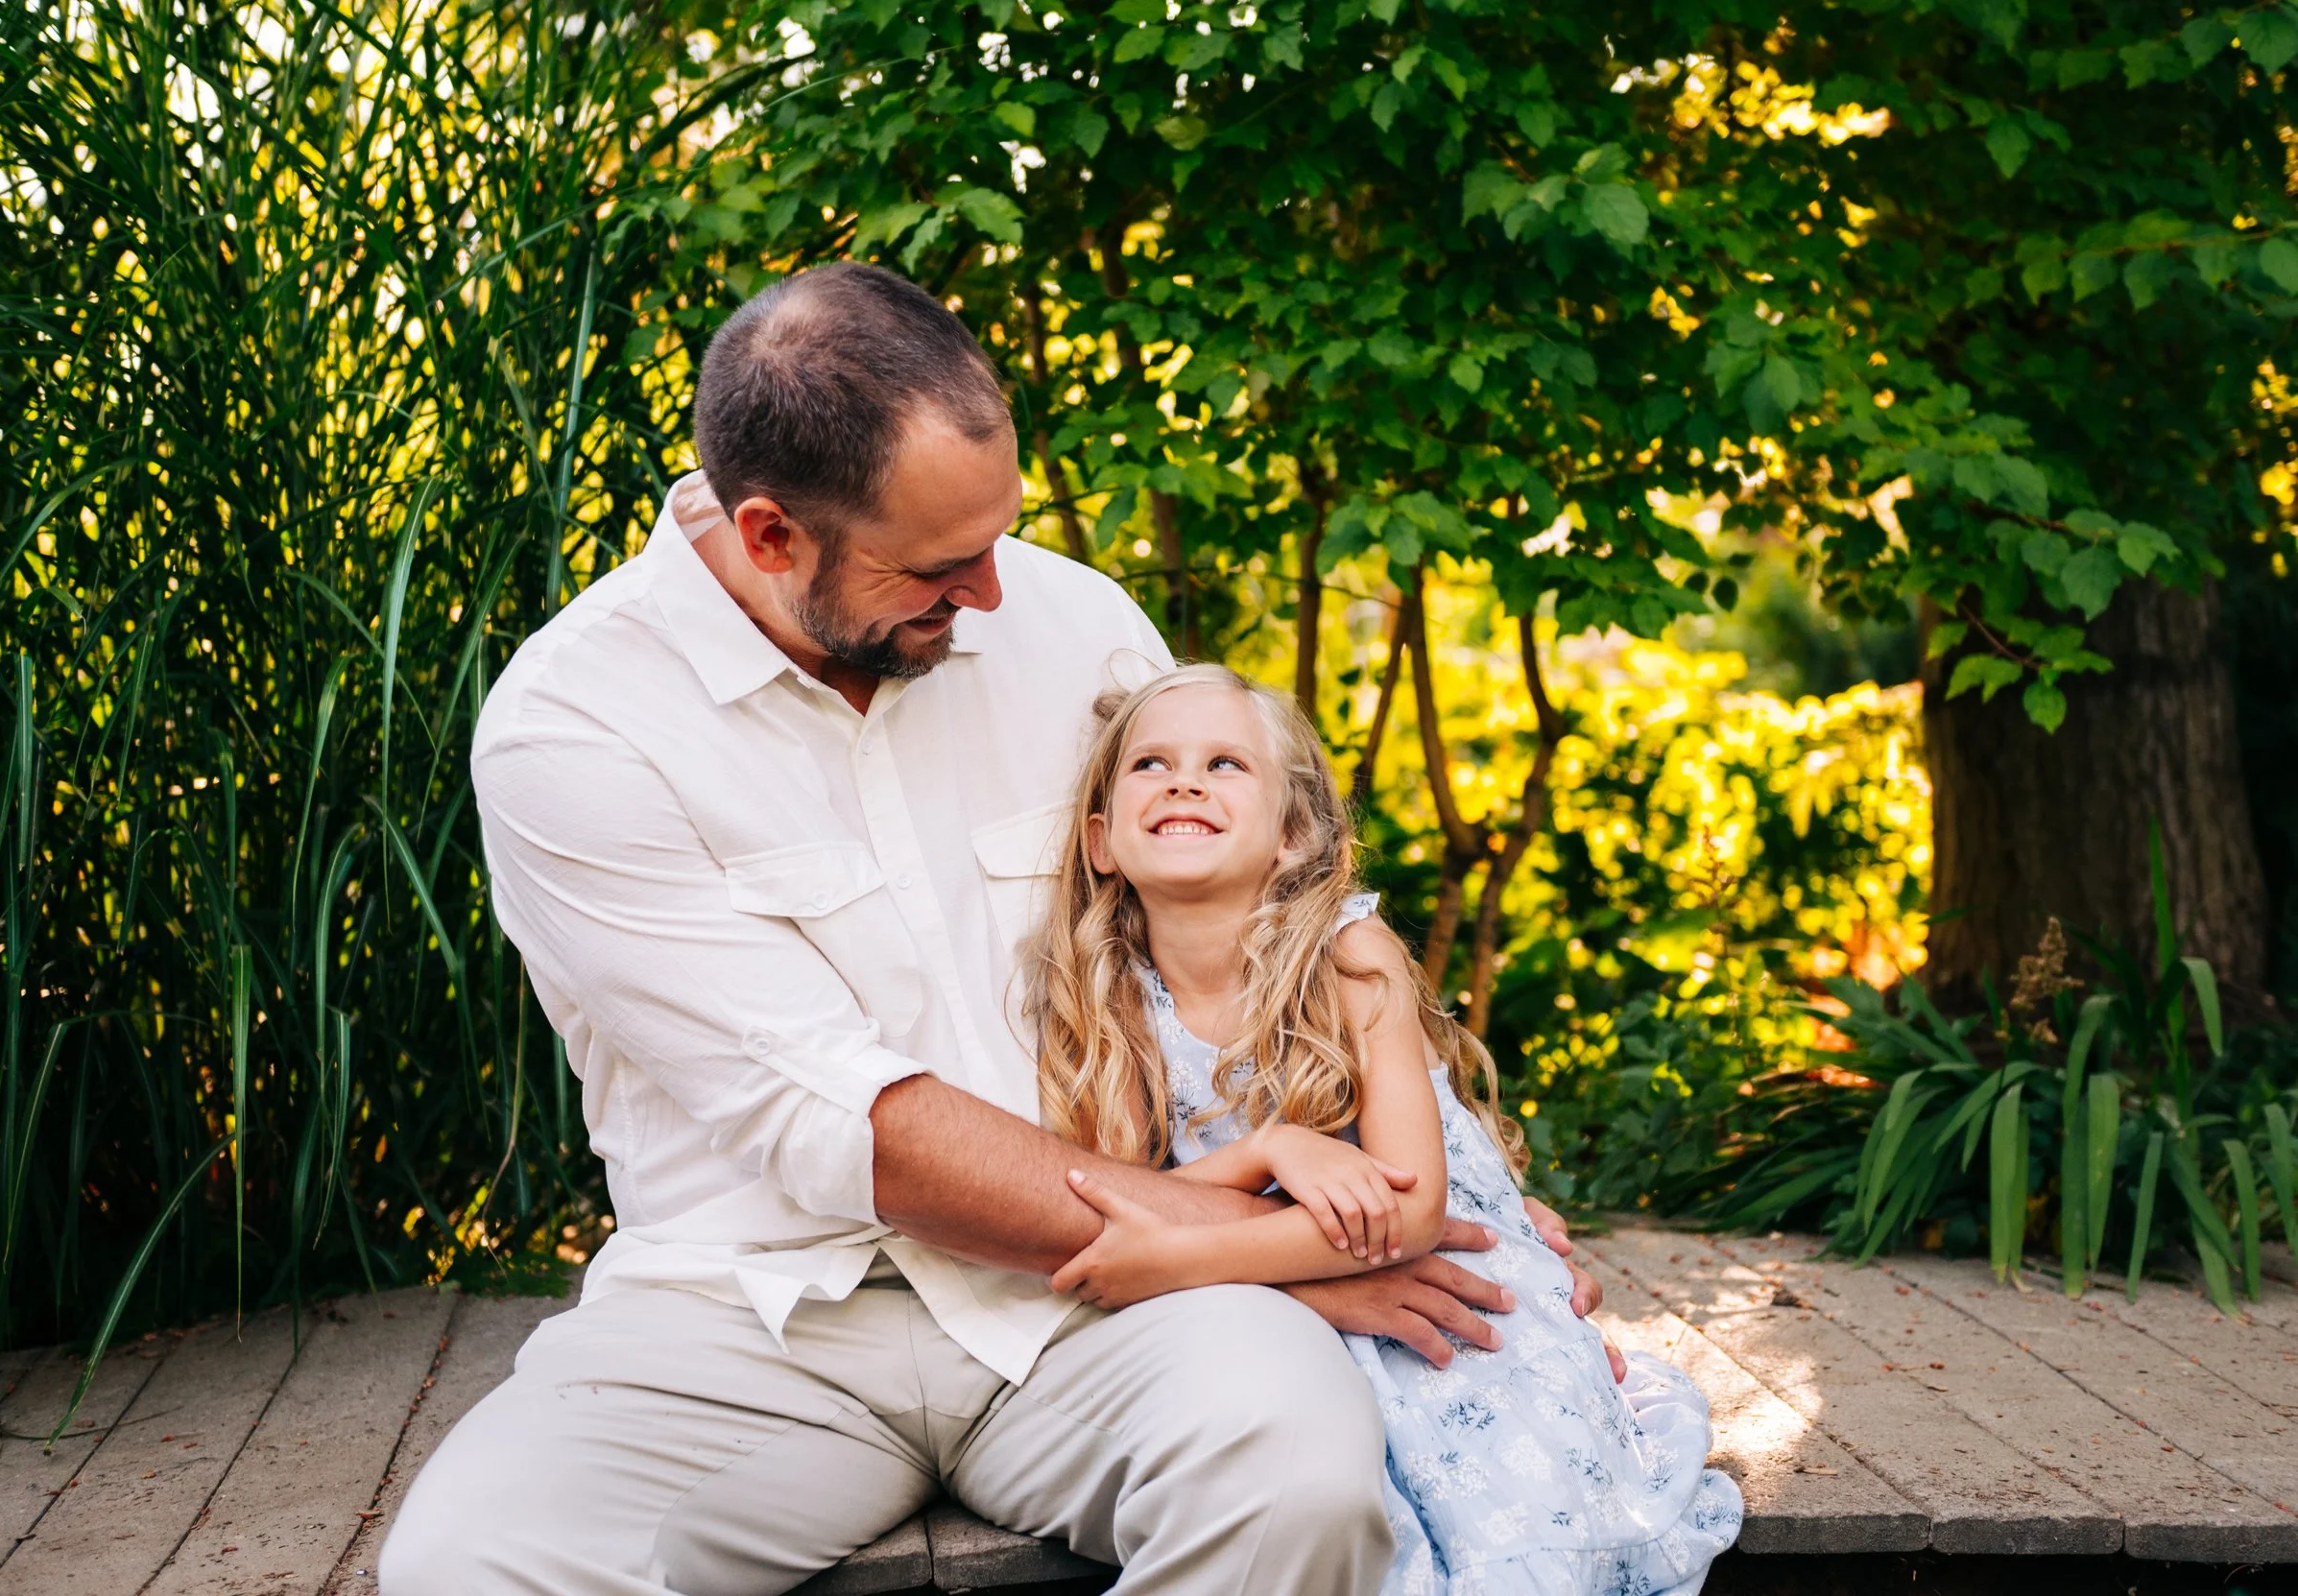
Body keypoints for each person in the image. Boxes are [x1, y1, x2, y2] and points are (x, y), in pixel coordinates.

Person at [379, 261, 1616, 1596]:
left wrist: (1436, 1195)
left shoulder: (1075, 624)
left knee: (1300, 1480)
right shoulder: (581, 721)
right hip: (758, 1324)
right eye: (938, 564)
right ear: (772, 533)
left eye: (997, 535)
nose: (991, 592)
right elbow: (851, 1123)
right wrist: (1296, 1244)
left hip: (1119, 1312)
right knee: (472, 1567)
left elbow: (1268, 932)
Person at [1029, 662, 1743, 1595]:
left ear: (1291, 837)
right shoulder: (1114, 994)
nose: (1184, 781)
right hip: (1295, 1300)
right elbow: (1121, 1195)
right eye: (1151, 765)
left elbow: (1408, 1216)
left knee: (1492, 1525)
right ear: (1101, 842)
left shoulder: (1349, 959)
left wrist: (1172, 1263)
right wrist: (1266, 1149)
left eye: (1223, 764)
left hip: (1450, 1299)